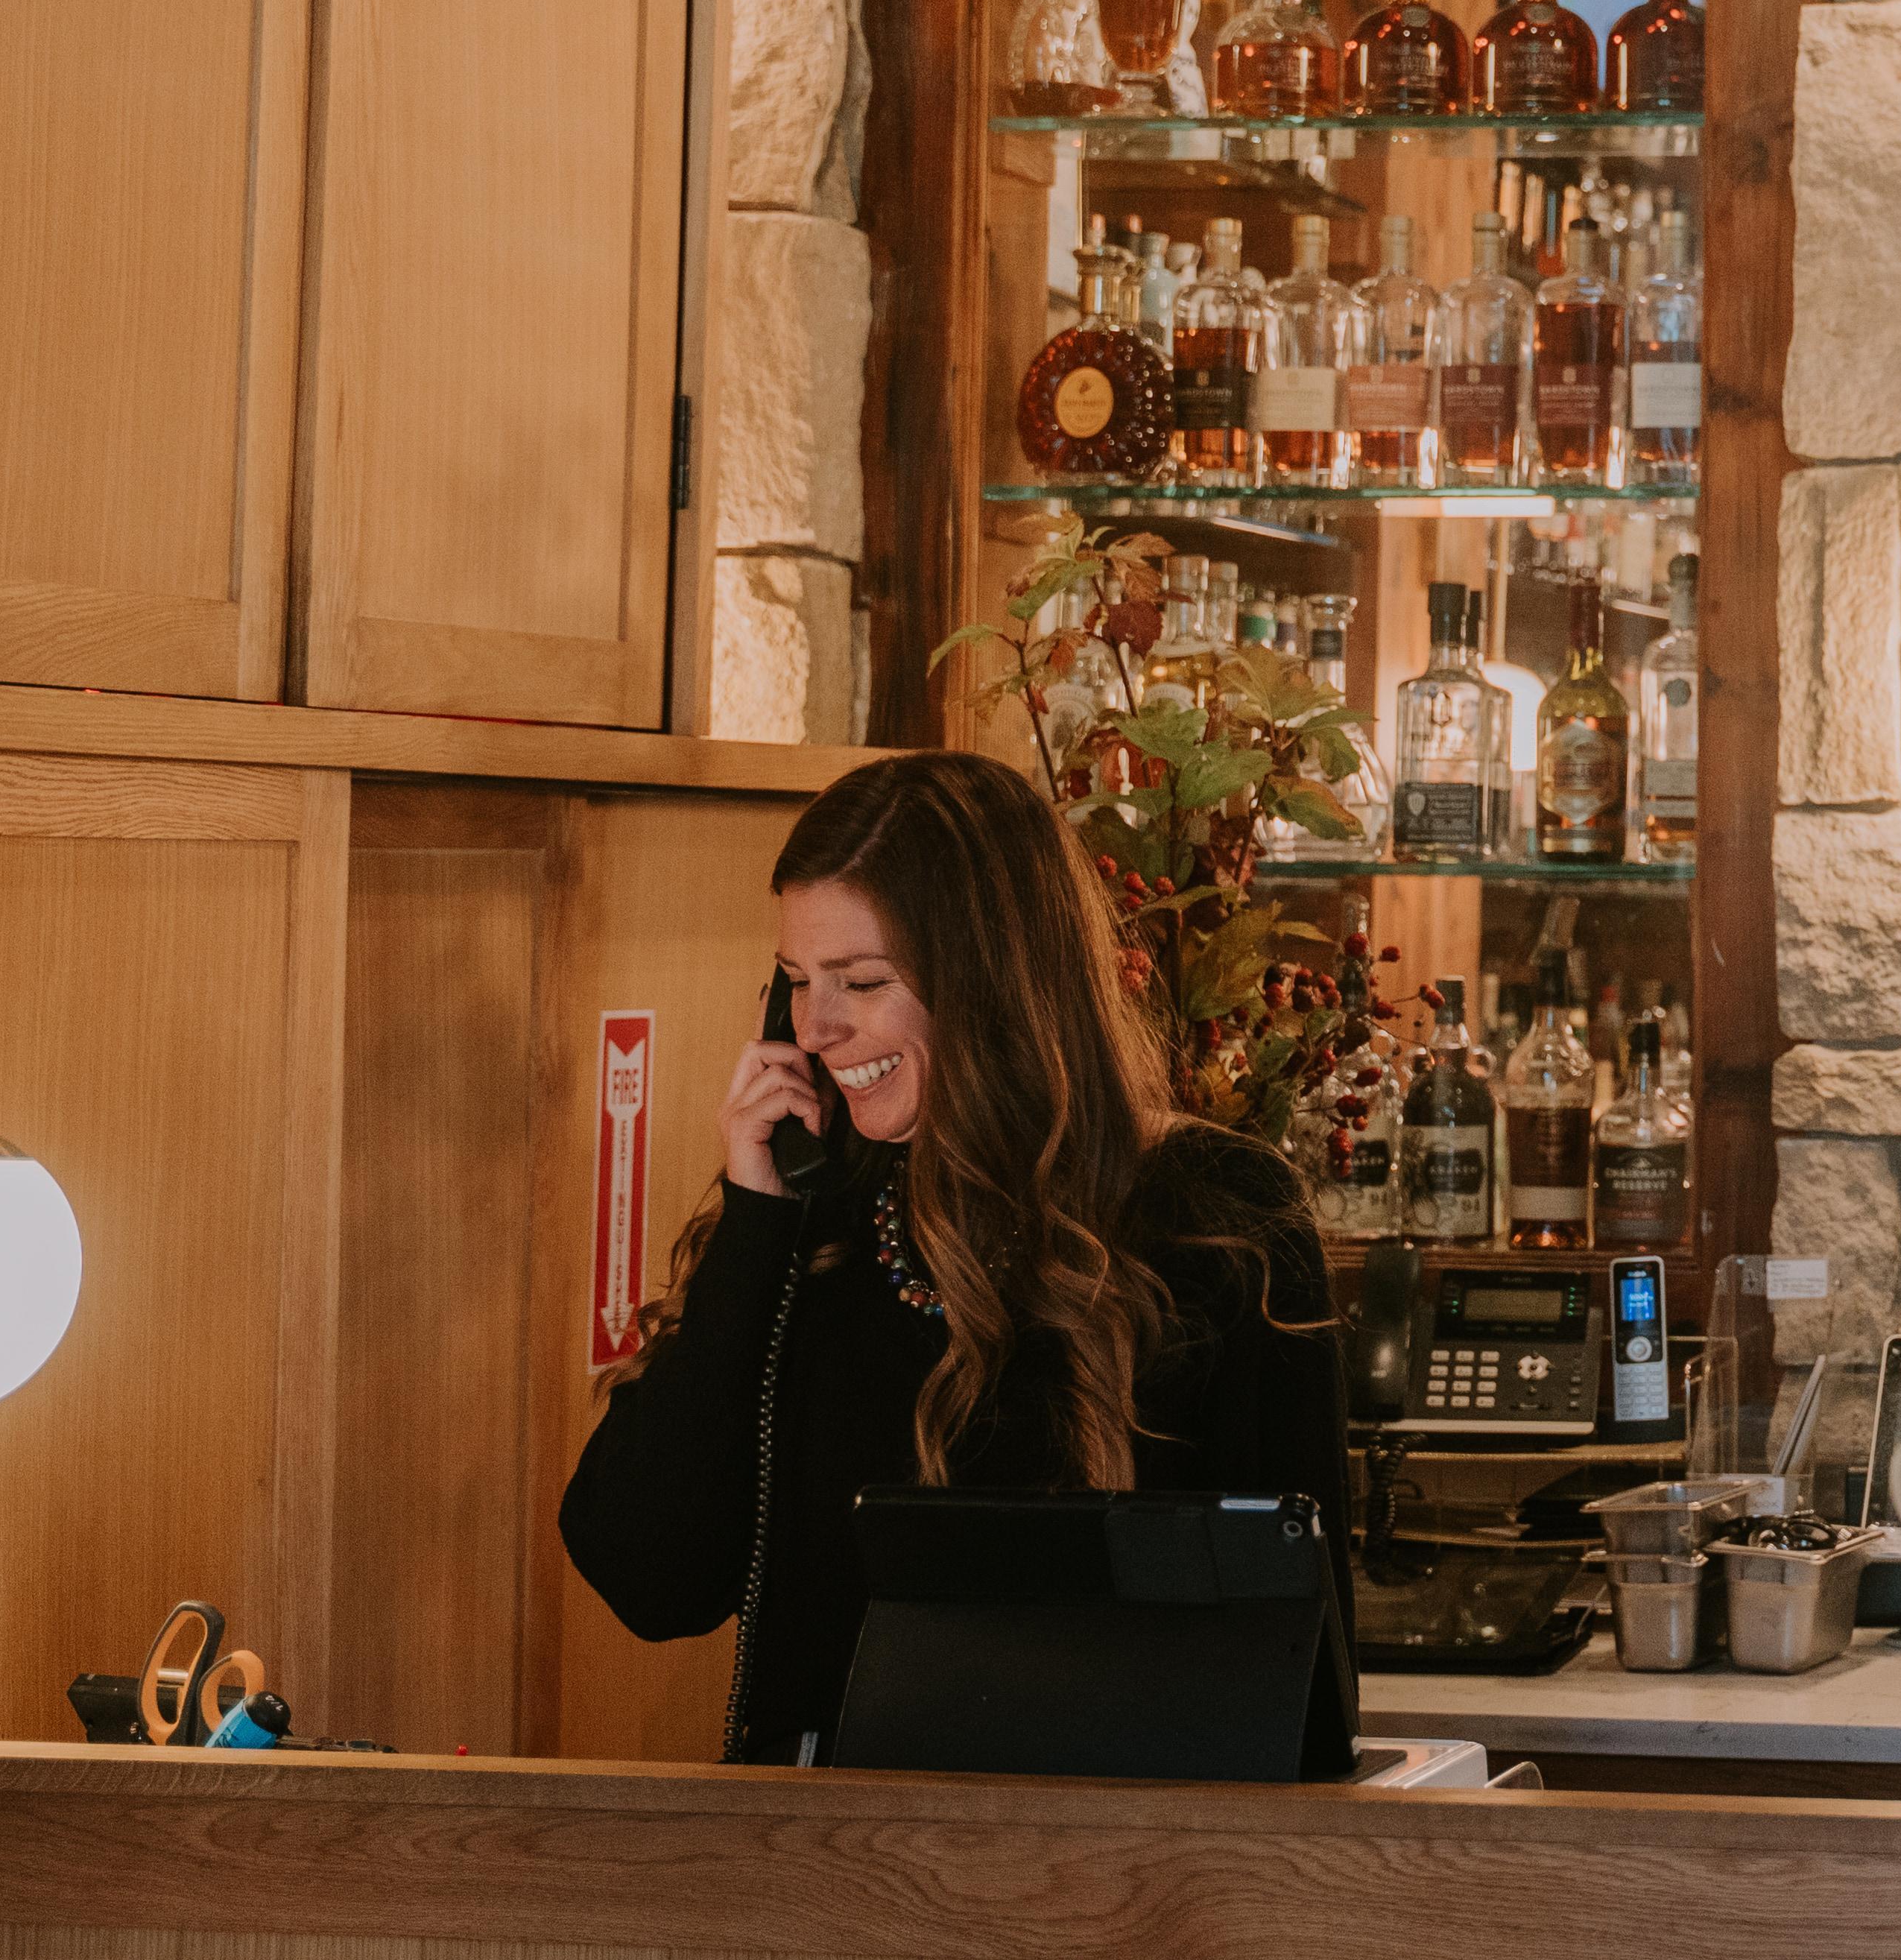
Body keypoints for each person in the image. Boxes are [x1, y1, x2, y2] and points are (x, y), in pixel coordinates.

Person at [561, 750, 1352, 1774]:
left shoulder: (1215, 1215)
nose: (816, 1029)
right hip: (823, 1842)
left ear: (992, 981)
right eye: (795, 983)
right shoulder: (815, 1223)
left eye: (864, 982)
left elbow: (1301, 1674)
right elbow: (647, 1580)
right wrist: (756, 1228)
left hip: (1111, 1845)